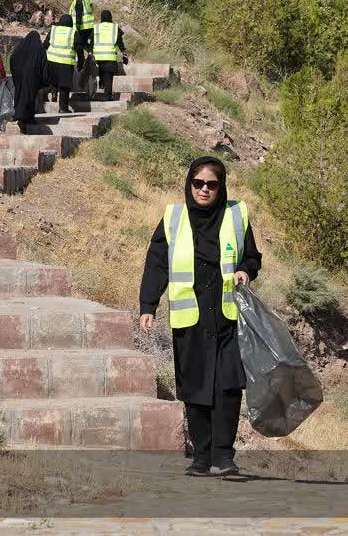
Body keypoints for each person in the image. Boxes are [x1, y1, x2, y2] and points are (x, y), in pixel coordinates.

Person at [139, 157, 262, 477]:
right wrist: (148, 305)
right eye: (198, 183)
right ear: (189, 184)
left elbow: (252, 257)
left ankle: (224, 457)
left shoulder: (237, 215)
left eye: (211, 184)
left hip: (228, 317)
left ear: (221, 187)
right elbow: (156, 264)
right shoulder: (173, 217)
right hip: (190, 319)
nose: (204, 190)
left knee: (228, 387)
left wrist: (245, 271)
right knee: (195, 388)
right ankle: (202, 457)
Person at [9, 30, 45, 134]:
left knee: (20, 95)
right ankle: (26, 118)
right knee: (30, 97)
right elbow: (43, 64)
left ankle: (20, 116)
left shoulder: (20, 48)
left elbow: (12, 59)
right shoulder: (39, 48)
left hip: (19, 77)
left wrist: (16, 73)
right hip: (33, 77)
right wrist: (43, 79)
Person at [44, 15, 76, 114]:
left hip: (51, 60)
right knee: (64, 86)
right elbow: (78, 47)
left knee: (54, 80)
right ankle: (63, 108)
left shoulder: (53, 30)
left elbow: (45, 44)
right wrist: (81, 61)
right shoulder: (73, 32)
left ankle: (54, 93)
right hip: (66, 62)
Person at [92, 10, 127, 101]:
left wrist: (90, 52)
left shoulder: (96, 27)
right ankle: (107, 96)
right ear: (110, 17)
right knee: (108, 76)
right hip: (110, 56)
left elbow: (91, 41)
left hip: (98, 56)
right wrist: (124, 53)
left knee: (101, 72)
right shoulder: (115, 28)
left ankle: (101, 86)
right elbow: (120, 42)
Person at [68, 0, 94, 69]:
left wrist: (77, 26)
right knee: (84, 44)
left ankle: (80, 65)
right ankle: (92, 56)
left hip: (82, 26)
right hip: (88, 26)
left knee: (78, 46)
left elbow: (79, 12)